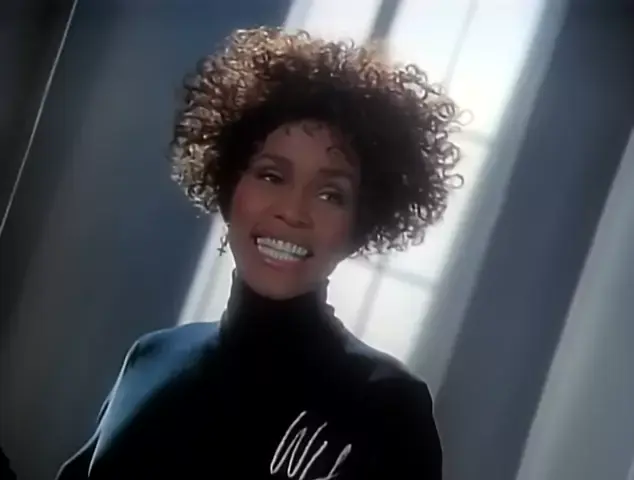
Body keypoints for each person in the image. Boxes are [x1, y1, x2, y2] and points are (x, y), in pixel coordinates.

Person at [56, 27, 462, 479]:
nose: (293, 211)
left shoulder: (385, 407)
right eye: (272, 176)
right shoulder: (152, 358)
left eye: (330, 194)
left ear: (360, 224)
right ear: (228, 186)